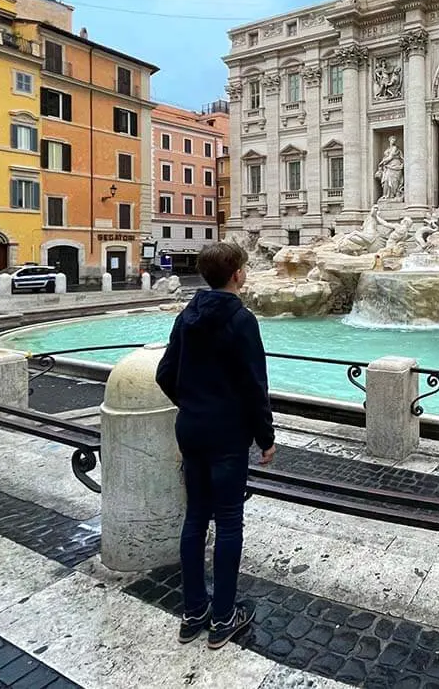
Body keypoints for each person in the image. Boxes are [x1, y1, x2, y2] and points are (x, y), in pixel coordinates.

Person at [155, 242, 275, 649]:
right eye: (244, 266)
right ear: (238, 274)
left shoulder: (186, 315)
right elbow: (255, 386)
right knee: (228, 521)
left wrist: (191, 404)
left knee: (195, 518)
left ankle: (193, 614)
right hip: (227, 433)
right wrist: (266, 437)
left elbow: (164, 373)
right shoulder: (241, 319)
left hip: (190, 427)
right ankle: (224, 616)